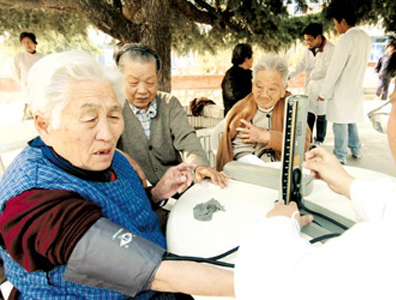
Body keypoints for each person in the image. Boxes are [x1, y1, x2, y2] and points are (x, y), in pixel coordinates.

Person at [234, 0, 396, 299]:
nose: (264, 94)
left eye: (394, 105)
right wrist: (350, 184)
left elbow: (273, 283)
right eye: (259, 86)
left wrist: (277, 225)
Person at [0, 51, 233, 299]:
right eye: (89, 119)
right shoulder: (35, 200)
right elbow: (152, 272)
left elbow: (112, 208)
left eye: (114, 116)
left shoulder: (111, 158)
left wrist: (155, 193)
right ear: (44, 125)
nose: (108, 134)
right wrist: (264, 283)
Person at [115, 43, 228, 187]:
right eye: (133, 82)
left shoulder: (169, 104)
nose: (142, 90)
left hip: (175, 188)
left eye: (150, 82)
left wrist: (199, 166)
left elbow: (187, 139)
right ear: (120, 79)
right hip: (135, 192)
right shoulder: (114, 108)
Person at [216, 55, 310, 171]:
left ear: (283, 89)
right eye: (259, 87)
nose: (264, 95)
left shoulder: (293, 108)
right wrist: (264, 170)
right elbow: (241, 152)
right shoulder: (244, 111)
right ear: (252, 85)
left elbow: (302, 145)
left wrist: (267, 136)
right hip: (252, 173)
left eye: (272, 89)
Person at [317, 4, 371, 164]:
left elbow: (335, 69)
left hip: (342, 88)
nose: (335, 27)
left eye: (335, 23)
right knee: (350, 118)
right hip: (355, 86)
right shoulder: (365, 36)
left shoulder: (346, 39)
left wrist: (324, 92)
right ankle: (356, 148)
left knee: (340, 121)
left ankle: (340, 155)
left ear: (343, 21)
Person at [289, 23, 335, 148]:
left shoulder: (331, 49)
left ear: (318, 37)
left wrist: (313, 74)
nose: (307, 43)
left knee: (321, 115)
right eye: (306, 40)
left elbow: (325, 69)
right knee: (309, 113)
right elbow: (302, 65)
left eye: (310, 40)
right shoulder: (308, 50)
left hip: (322, 87)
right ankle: (307, 138)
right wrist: (290, 75)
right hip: (310, 87)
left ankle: (320, 139)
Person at [11, 31, 45, 121]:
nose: (27, 44)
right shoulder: (19, 57)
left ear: (35, 43)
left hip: (41, 91)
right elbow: (15, 75)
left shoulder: (43, 58)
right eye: (24, 42)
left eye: (29, 42)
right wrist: (24, 84)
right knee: (28, 117)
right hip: (27, 91)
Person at [221, 43, 253, 116]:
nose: (252, 59)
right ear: (246, 58)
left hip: (248, 116)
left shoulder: (250, 74)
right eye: (251, 56)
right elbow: (234, 97)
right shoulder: (231, 75)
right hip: (234, 118)